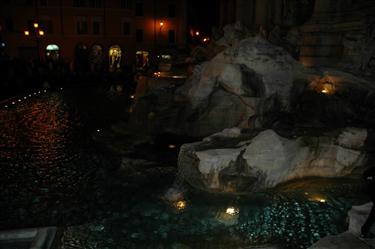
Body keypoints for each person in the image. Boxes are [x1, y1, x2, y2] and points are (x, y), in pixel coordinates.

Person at [361, 166, 375, 239]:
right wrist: (371, 179)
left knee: (372, 215)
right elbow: (365, 175)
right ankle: (364, 232)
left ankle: (364, 232)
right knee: (372, 216)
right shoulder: (372, 169)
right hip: (373, 191)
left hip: (372, 191)